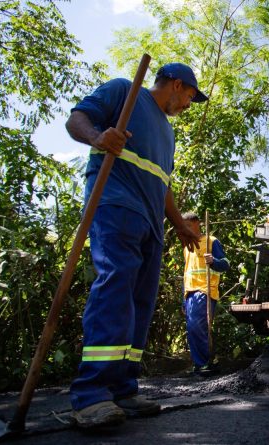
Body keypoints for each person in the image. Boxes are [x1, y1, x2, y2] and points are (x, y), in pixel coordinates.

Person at [65, 63, 207, 428]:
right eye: (190, 96)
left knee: (141, 302)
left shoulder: (168, 134)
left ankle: (123, 388)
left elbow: (163, 184)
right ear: (177, 85)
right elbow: (77, 120)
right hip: (115, 205)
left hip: (149, 222)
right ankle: (92, 394)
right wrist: (97, 137)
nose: (189, 105)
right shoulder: (124, 92)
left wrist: (179, 225)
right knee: (115, 288)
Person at [181, 212, 229, 376]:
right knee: (193, 328)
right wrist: (183, 298)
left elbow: (226, 264)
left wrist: (214, 261)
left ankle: (203, 363)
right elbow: (186, 272)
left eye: (188, 225)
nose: (186, 229)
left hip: (205, 289)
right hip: (190, 293)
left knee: (197, 327)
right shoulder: (187, 246)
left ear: (197, 223)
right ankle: (203, 363)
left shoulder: (211, 241)